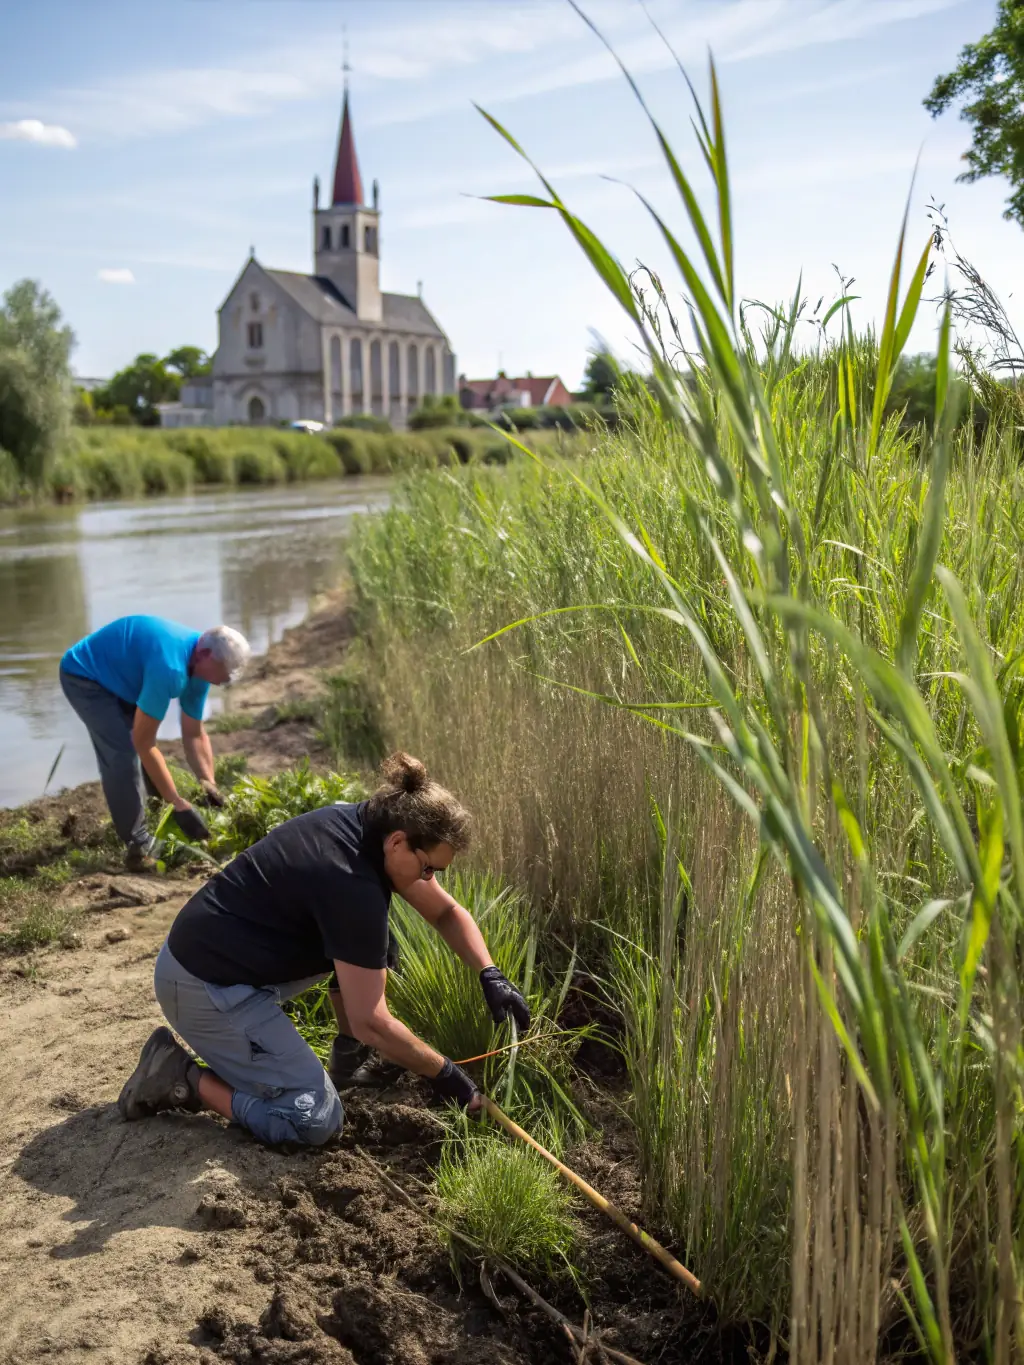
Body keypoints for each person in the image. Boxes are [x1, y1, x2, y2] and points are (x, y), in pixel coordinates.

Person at [116, 753, 531, 1146]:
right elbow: (374, 1021)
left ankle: (347, 1063)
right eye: (428, 869)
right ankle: (182, 1077)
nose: (429, 880)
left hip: (221, 956)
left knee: (378, 944)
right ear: (399, 842)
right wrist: (445, 1074)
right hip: (203, 988)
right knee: (312, 1118)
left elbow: (446, 913)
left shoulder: (362, 824)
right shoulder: (350, 884)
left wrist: (489, 973)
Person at [60, 615, 251, 871]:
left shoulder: (200, 670)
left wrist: (208, 782)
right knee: (123, 753)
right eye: (223, 672)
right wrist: (178, 802)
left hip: (125, 678)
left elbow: (194, 733)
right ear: (205, 654)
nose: (224, 681)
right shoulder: (171, 669)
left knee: (143, 753)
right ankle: (137, 846)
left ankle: (158, 824)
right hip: (86, 677)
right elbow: (143, 742)